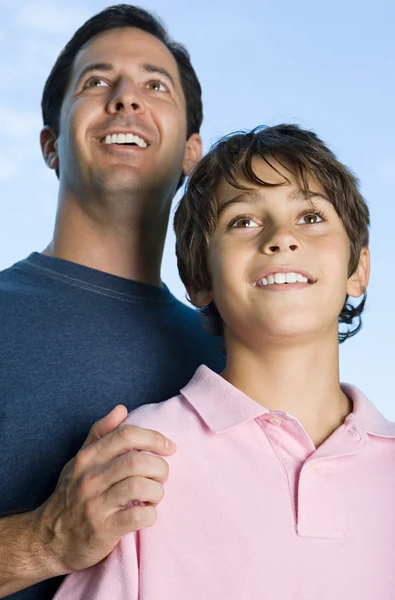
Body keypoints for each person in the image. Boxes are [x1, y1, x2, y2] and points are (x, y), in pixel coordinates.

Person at [55, 123, 395, 599]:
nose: (282, 239)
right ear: (200, 280)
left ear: (357, 270)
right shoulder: (141, 457)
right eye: (243, 221)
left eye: (312, 217)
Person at [0, 5, 225, 600]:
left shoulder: (233, 353)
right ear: (50, 144)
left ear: (191, 152)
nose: (126, 98)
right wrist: (44, 539)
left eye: (156, 84)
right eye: (96, 82)